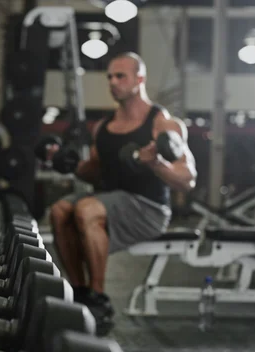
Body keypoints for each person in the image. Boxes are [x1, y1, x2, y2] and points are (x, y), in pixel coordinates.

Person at [48, 52, 197, 335]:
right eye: (110, 77)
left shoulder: (163, 124)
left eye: (121, 76)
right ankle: (81, 294)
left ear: (139, 79)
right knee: (59, 211)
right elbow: (93, 172)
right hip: (108, 200)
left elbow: (187, 180)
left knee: (86, 209)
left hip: (149, 208)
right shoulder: (104, 127)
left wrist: (156, 162)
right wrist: (66, 163)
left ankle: (99, 299)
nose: (113, 82)